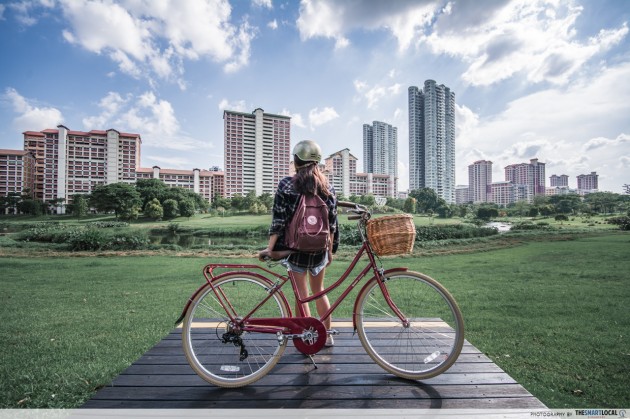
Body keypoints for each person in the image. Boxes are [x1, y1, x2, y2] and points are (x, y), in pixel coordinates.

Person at [259, 140, 338, 346]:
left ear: (296, 160)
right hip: (319, 249)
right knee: (319, 291)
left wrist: (271, 247)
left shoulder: (286, 184)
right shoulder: (327, 186)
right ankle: (327, 336)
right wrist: (330, 250)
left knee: (301, 295)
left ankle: (306, 337)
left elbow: (279, 219)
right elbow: (332, 223)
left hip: (295, 248)